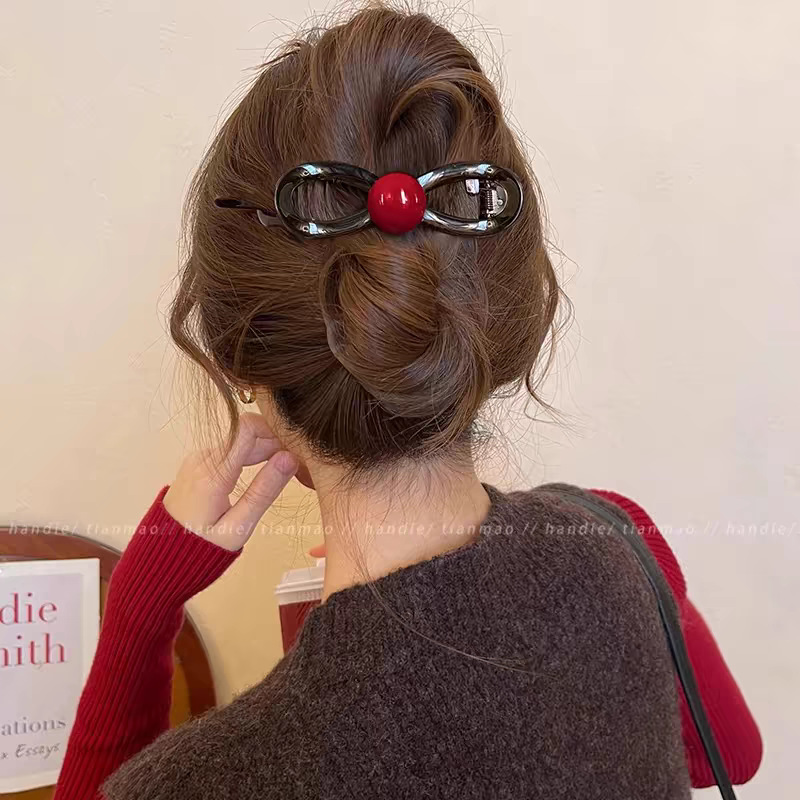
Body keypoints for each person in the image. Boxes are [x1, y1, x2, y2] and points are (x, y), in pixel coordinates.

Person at [54, 6, 761, 799]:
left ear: (237, 357)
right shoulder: (616, 539)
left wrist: (141, 604)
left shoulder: (202, 782)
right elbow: (729, 758)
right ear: (501, 318)